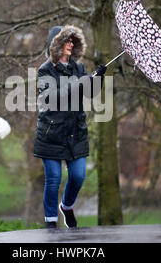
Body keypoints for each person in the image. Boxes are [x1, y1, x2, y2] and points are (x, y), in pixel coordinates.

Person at [33, 25, 107, 228]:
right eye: (67, 40)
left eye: (73, 41)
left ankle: (66, 206)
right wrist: (77, 85)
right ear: (55, 44)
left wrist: (98, 77)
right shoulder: (44, 70)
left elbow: (90, 92)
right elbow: (49, 98)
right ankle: (51, 222)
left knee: (78, 175)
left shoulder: (78, 67)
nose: (71, 44)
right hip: (51, 134)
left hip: (76, 133)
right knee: (54, 178)